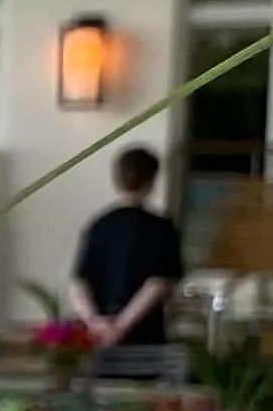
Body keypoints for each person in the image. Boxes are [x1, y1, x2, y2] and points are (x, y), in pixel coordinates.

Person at [67, 147, 186, 351]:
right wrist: (120, 326)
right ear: (151, 181)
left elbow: (78, 282)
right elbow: (157, 284)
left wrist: (94, 322)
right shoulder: (161, 227)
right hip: (144, 337)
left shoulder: (99, 224)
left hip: (98, 338)